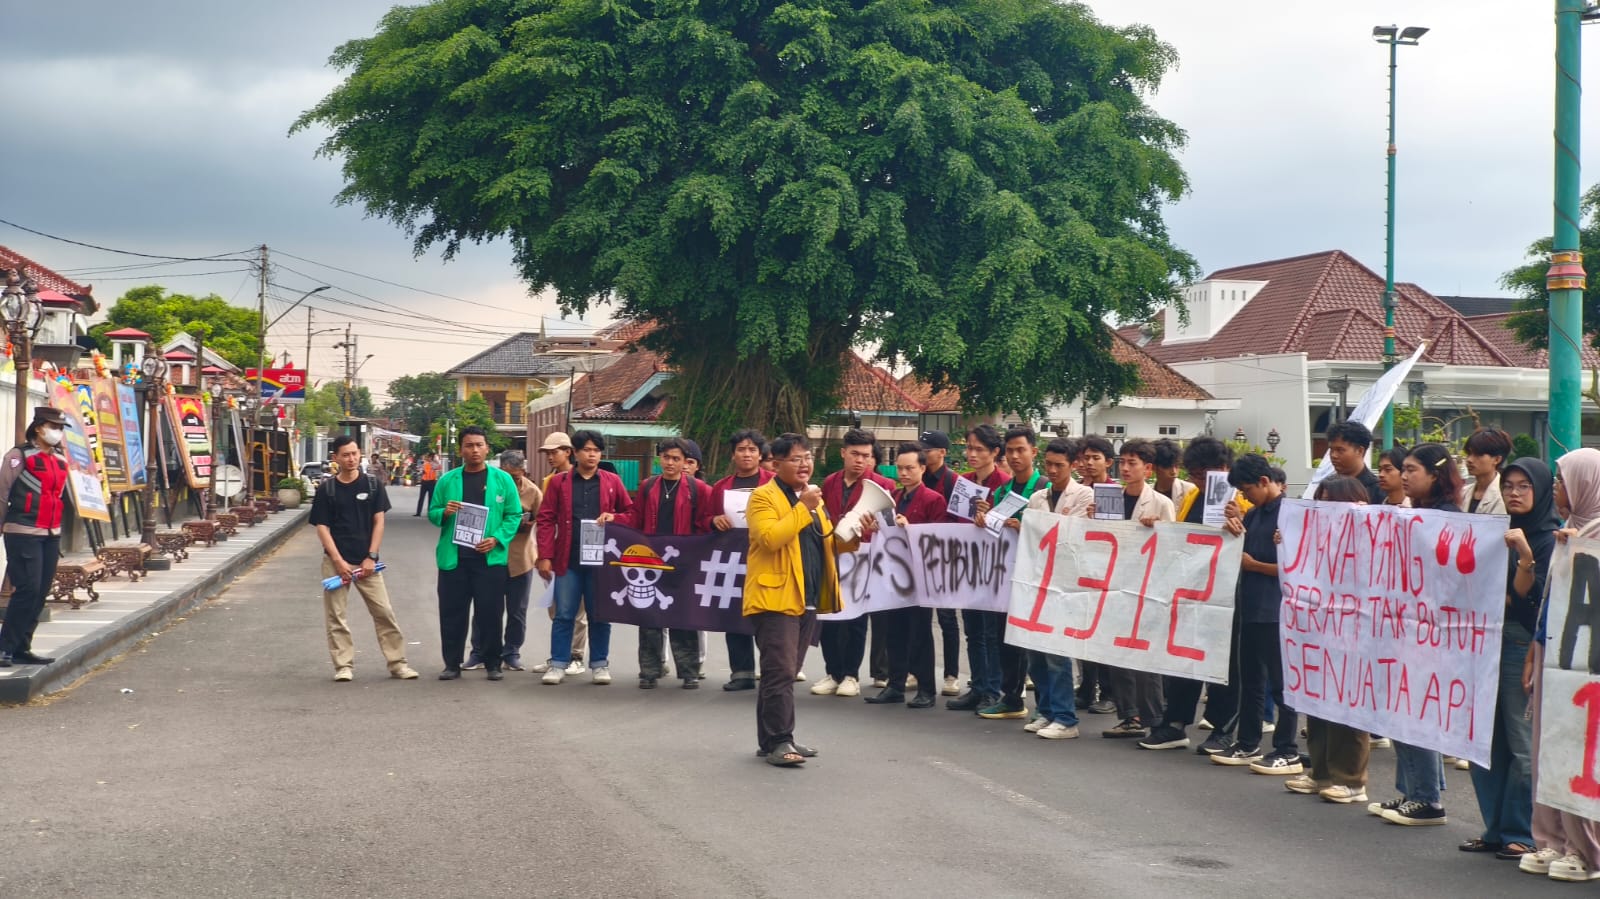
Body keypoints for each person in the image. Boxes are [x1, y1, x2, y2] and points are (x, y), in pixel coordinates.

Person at [745, 433, 868, 766]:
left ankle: (774, 738)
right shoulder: (762, 497)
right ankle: (780, 740)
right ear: (775, 464)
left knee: (783, 671)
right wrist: (803, 508)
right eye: (796, 458)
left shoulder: (813, 498)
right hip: (775, 597)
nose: (805, 464)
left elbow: (828, 542)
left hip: (808, 596)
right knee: (781, 670)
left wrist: (855, 533)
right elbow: (770, 538)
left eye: (808, 457)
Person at [1457, 456, 1549, 859]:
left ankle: (1520, 831)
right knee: (1482, 741)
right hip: (1482, 640)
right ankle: (1494, 828)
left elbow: (1533, 601)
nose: (1513, 493)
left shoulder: (1552, 538)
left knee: (1520, 743)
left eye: (1523, 486)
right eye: (1508, 485)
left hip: (1521, 645)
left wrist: (1525, 558)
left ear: (1541, 490)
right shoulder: (1494, 531)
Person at [1368, 442, 1464, 824]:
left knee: (1417, 711)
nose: (1404, 476)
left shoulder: (1448, 517)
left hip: (1430, 633)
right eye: (1402, 469)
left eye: (1411, 470)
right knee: (1400, 710)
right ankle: (1411, 791)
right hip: (1405, 628)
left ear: (1435, 475)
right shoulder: (1417, 513)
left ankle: (1427, 799)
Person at [1141, 437, 1243, 752]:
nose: (1199, 480)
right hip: (1194, 591)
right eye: (1195, 474)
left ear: (1224, 469)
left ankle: (1224, 727)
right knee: (1184, 658)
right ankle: (1175, 723)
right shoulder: (1194, 497)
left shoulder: (1243, 500)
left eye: (1204, 473)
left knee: (1227, 665)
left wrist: (1238, 521)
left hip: (1230, 595)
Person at [1526, 447, 1600, 880]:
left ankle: (1586, 849)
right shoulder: (1570, 532)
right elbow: (1551, 607)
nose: (1556, 489)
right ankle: (1553, 840)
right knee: (1550, 751)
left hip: (1586, 672)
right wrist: (1536, 656)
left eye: (1562, 480)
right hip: (1555, 661)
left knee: (1581, 759)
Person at [1277, 475, 1370, 802]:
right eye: (1321, 501)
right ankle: (1321, 772)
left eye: (1332, 501)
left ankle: (1352, 779)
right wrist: (1286, 542)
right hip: (1318, 630)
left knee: (1348, 706)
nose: (1325, 508)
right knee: (1316, 700)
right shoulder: (1316, 536)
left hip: (1352, 632)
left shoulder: (1368, 535)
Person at [1208, 453, 1298, 771]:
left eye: (1247, 490)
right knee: (1250, 681)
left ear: (1264, 482)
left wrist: (1254, 565)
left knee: (1281, 683)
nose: (1245, 497)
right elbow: (1241, 550)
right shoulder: (1255, 514)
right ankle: (1247, 743)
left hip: (1276, 609)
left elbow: (1295, 569)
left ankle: (1287, 748)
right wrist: (1234, 532)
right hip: (1250, 606)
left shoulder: (1290, 514)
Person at [308, 435, 419, 682]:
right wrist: (338, 561)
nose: (351, 459)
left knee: (384, 612)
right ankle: (343, 666)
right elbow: (322, 528)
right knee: (336, 616)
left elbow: (379, 521)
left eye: (355, 453)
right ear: (335, 458)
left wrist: (371, 556)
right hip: (336, 563)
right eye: (345, 455)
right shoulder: (328, 489)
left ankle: (398, 663)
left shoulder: (372, 485)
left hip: (367, 562)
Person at [537, 429, 632, 685]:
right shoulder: (559, 483)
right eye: (587, 450)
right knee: (564, 613)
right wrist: (545, 555)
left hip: (602, 562)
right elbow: (545, 519)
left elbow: (631, 513)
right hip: (568, 559)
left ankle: (600, 664)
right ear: (575, 453)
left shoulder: (612, 481)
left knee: (600, 613)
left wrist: (615, 517)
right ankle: (558, 663)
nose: (592, 455)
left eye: (596, 450)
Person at [617, 437, 713, 689]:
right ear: (659, 458)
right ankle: (650, 670)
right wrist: (613, 518)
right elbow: (634, 518)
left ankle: (689, 671)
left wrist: (716, 523)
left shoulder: (698, 489)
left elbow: (706, 520)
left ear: (685, 462)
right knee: (649, 617)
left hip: (684, 563)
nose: (670, 463)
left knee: (684, 618)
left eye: (676, 459)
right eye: (666, 457)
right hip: (651, 563)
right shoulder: (648, 487)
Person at [428, 428, 523, 681]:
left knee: (490, 613)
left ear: (487, 448)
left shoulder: (502, 480)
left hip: (489, 560)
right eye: (469, 445)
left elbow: (514, 515)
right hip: (454, 558)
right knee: (452, 613)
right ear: (461, 449)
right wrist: (444, 513)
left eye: (479, 445)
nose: (474, 450)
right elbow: (433, 513)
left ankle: (493, 663)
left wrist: (497, 538)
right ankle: (452, 663)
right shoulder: (448, 480)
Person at [1098, 438, 1174, 739]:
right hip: (1116, 582)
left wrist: (1158, 528)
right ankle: (1129, 715)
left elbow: (1173, 547)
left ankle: (1154, 717)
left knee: (1145, 656)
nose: (1126, 468)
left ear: (1148, 468)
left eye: (1133, 463)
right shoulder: (1108, 496)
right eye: (1123, 462)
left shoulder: (1160, 503)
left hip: (1147, 586)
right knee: (1116, 653)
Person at [1020, 437, 1093, 740]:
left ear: (1073, 465)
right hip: (1038, 580)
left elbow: (1070, 535)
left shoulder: (1084, 495)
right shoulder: (1038, 497)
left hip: (1066, 583)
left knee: (1057, 653)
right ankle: (1047, 710)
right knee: (1034, 652)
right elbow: (1032, 535)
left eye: (1058, 465)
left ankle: (1066, 717)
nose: (1051, 470)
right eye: (1048, 464)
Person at [814, 428, 896, 699]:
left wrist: (877, 527)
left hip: (865, 556)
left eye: (866, 455)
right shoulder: (829, 482)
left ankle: (851, 675)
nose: (860, 460)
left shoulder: (885, 486)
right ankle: (833, 671)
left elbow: (893, 527)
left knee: (856, 618)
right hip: (833, 554)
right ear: (843, 453)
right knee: (829, 614)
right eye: (855, 454)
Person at [972, 426, 1046, 720]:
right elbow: (995, 532)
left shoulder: (1043, 488)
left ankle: (1046, 706)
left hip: (1036, 577)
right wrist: (985, 520)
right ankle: (1011, 697)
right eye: (1011, 451)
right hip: (1005, 577)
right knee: (1004, 638)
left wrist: (1024, 526)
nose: (1015, 456)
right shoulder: (1003, 491)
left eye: (1021, 450)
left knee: (1035, 643)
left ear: (1033, 452)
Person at [865, 443, 946, 708]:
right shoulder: (893, 498)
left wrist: (910, 529)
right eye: (900, 468)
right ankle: (895, 684)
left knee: (920, 632)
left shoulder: (934, 499)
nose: (904, 473)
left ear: (923, 468)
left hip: (921, 576)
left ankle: (926, 688)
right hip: (894, 574)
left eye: (910, 468)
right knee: (893, 631)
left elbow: (939, 539)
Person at [0, 407, 72, 668]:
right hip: (23, 531)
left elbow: (60, 495)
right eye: (54, 427)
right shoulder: (18, 456)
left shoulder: (60, 459)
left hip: (51, 533)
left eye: (61, 428)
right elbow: (2, 493)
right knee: (27, 589)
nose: (58, 432)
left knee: (41, 592)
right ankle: (5, 647)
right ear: (39, 427)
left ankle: (22, 647)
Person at [946, 424, 1010, 713]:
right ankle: (978, 684)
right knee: (972, 629)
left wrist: (990, 516)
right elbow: (954, 523)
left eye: (978, 449)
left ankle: (993, 689)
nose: (971, 454)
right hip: (968, 565)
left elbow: (1009, 530)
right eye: (969, 448)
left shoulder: (1005, 485)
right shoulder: (965, 483)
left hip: (995, 569)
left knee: (991, 633)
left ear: (995, 452)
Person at [463, 450, 542, 671]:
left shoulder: (533, 492)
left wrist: (529, 525)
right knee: (484, 608)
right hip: (489, 558)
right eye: (507, 474)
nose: (512, 480)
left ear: (523, 472)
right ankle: (478, 652)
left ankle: (511, 652)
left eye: (516, 476)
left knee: (517, 610)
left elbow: (544, 521)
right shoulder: (488, 486)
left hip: (520, 559)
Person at [708, 429, 773, 691]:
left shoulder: (773, 483)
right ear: (733, 455)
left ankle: (772, 672)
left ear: (760, 455)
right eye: (741, 450)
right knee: (734, 614)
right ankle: (742, 672)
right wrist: (713, 520)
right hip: (732, 561)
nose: (746, 454)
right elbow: (705, 518)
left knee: (767, 617)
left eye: (752, 450)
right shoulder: (721, 487)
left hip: (767, 559)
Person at [534, 431, 586, 675]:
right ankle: (559, 655)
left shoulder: (582, 481)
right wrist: (543, 553)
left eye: (554, 452)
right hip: (555, 552)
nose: (550, 457)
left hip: (579, 551)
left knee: (579, 610)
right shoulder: (551, 481)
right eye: (547, 453)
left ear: (569, 452)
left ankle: (577, 655)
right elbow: (546, 520)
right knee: (557, 608)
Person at [1075, 434, 1120, 715]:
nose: (1089, 463)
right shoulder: (1077, 491)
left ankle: (1110, 692)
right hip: (1082, 570)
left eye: (1095, 458)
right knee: (1082, 634)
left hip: (1108, 573)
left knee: (1104, 636)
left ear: (1108, 462)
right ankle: (1085, 687)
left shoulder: (1115, 492)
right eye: (1085, 458)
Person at [918, 429, 961, 694]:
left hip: (946, 560)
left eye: (928, 449)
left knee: (947, 619)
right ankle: (917, 670)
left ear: (942, 452)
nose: (923, 453)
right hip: (920, 560)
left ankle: (951, 674)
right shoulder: (917, 477)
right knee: (920, 620)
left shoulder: (953, 482)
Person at [1324, 420, 1384, 505]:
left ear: (1360, 451)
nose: (1333, 455)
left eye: (1340, 450)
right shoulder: (1327, 487)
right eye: (1331, 450)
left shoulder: (1378, 491)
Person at [1461, 428, 1510, 514]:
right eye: (1469, 453)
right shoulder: (1462, 493)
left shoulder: (1504, 495)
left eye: (1478, 454)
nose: (1469, 459)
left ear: (1497, 459)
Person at [1153, 437, 1198, 508]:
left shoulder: (1190, 491)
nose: (1173, 471)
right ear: (1154, 467)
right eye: (1167, 467)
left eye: (1177, 465)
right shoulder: (1146, 492)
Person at [414, 451, 440, 516]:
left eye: (430, 457)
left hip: (431, 482)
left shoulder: (433, 464)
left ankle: (429, 512)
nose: (428, 458)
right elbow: (421, 470)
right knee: (421, 498)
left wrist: (435, 460)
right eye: (428, 457)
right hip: (424, 482)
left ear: (431, 457)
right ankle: (418, 512)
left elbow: (439, 467)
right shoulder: (425, 463)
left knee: (430, 498)